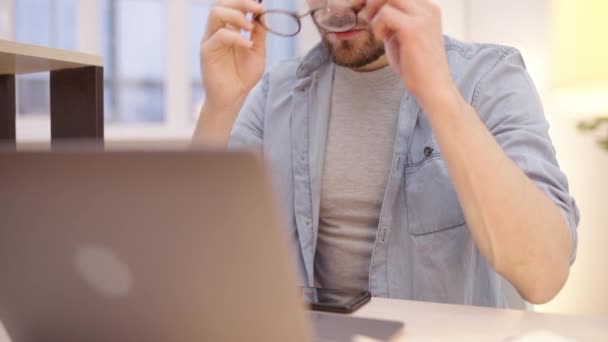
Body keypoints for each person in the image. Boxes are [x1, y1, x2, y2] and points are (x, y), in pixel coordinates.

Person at [193, 0, 580, 308]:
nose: (337, 7)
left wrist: (438, 91)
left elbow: (543, 276)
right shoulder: (277, 91)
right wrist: (220, 105)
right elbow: (197, 262)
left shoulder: (491, 76)